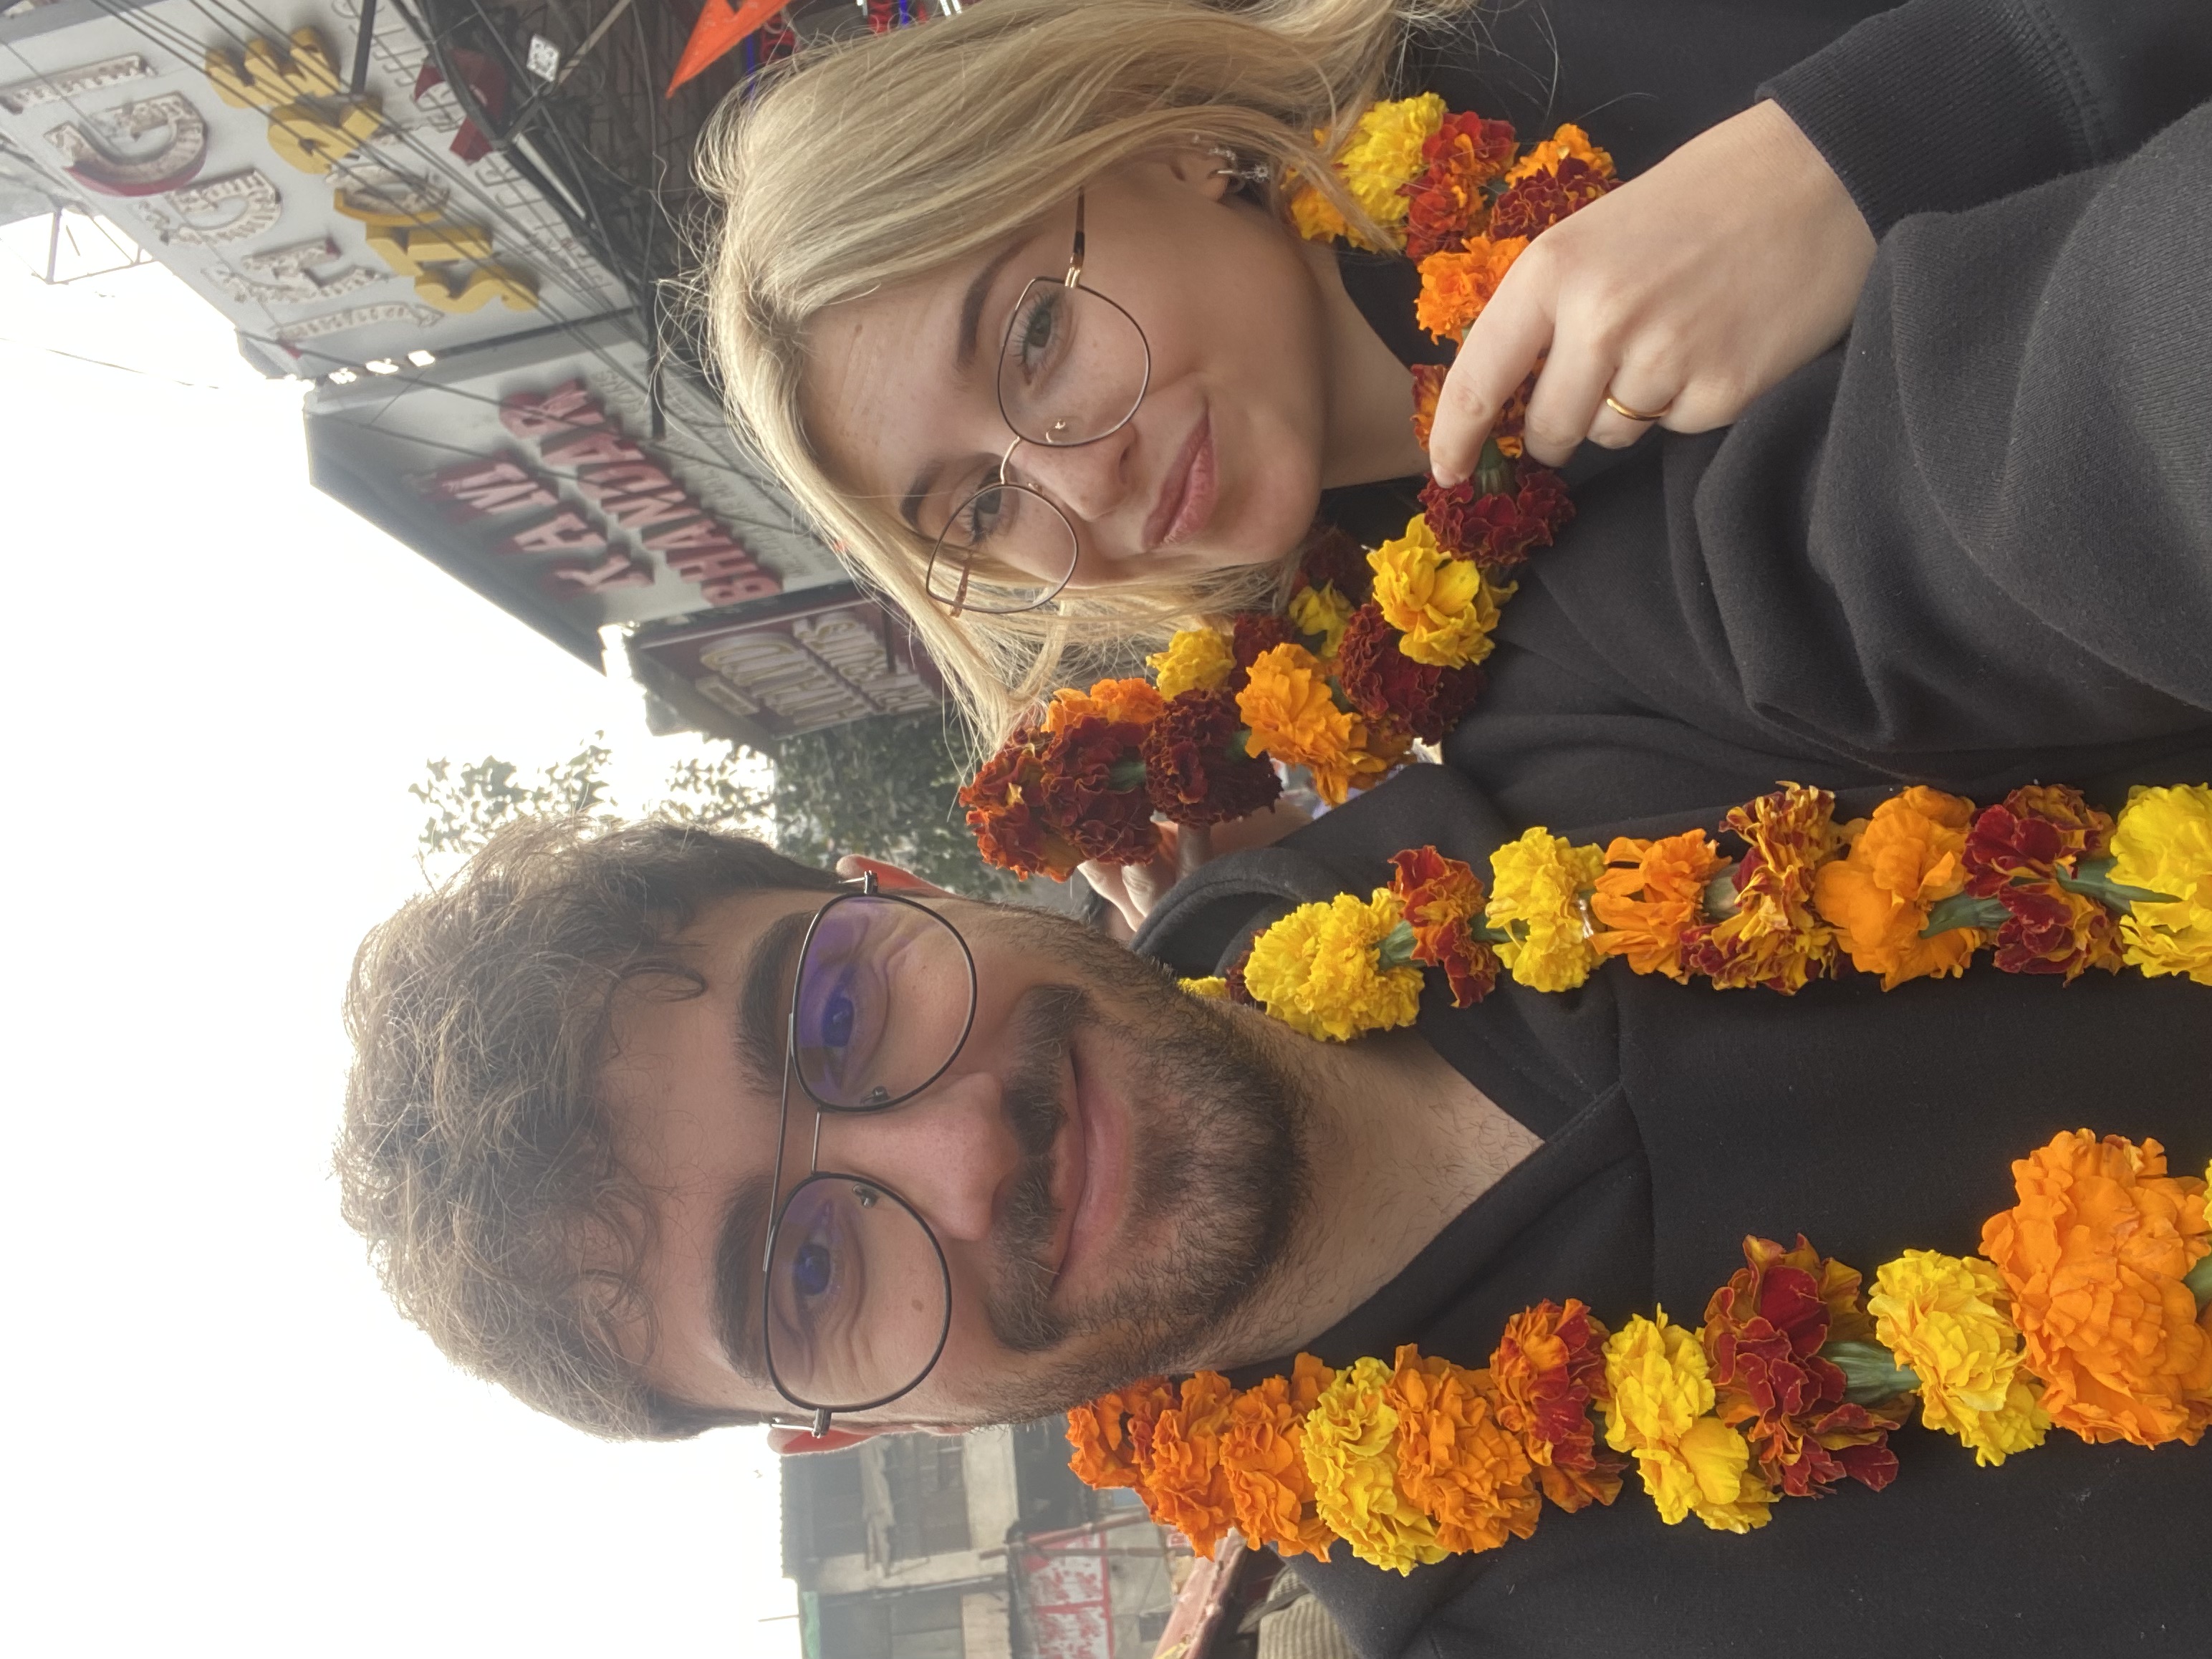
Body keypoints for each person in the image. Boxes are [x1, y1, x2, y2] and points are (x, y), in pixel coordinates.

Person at [335, 777, 2208, 1653]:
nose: (964, 1162)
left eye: (840, 1015)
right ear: (864, 1423)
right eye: (810, 1269)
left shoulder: (1565, 732)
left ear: (898, 878)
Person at [696, 0, 2212, 754]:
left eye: (1032, 336)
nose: (1070, 479)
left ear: (1159, 138)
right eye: (975, 505)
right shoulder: (1444, 717)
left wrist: (1839, 154)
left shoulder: (1537, 35)